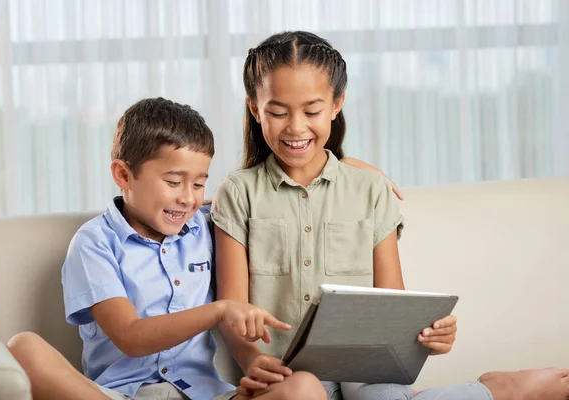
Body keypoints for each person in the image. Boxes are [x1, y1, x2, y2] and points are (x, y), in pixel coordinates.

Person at [210, 31, 569, 400]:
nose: (296, 127)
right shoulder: (238, 194)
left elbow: (391, 305)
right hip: (284, 379)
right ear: (255, 109)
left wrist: (429, 335)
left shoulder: (371, 190)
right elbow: (233, 312)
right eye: (277, 112)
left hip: (363, 366)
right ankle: (495, 392)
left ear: (337, 104)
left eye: (312, 111)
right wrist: (253, 360)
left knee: (380, 396)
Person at [6, 97, 328, 400]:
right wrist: (218, 310)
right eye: (173, 182)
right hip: (122, 394)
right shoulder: (94, 243)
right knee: (24, 348)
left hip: (204, 393)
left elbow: (265, 202)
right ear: (123, 175)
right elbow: (130, 337)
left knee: (306, 387)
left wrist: (251, 359)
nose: (188, 197)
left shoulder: (208, 228)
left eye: (199, 184)